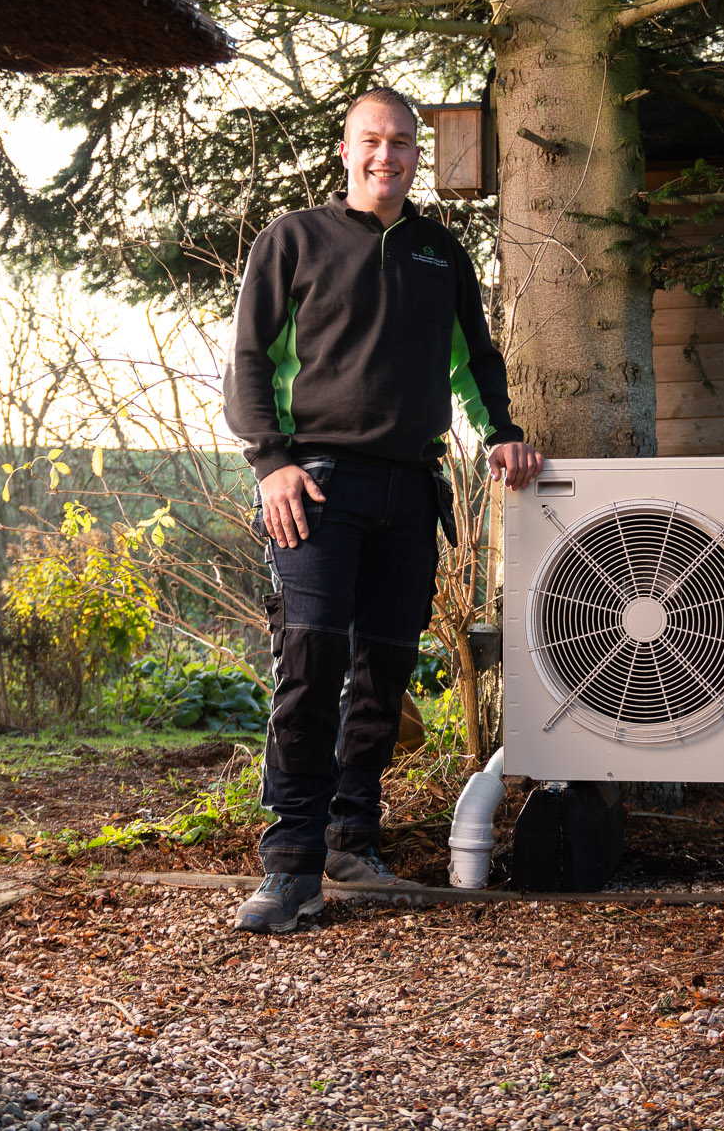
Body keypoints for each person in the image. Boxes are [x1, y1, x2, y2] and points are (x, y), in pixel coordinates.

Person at [223, 86, 543, 933]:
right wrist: (272, 465)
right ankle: (289, 865)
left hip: (412, 487)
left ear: (416, 154)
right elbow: (249, 363)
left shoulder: (440, 250)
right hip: (317, 486)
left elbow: (475, 358)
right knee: (310, 667)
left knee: (383, 674)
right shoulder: (293, 240)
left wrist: (502, 433)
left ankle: (351, 840)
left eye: (403, 143)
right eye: (373, 140)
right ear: (345, 149)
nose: (389, 156)